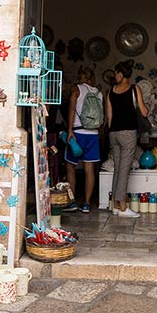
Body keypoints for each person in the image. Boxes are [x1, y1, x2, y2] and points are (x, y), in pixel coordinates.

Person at [105, 60, 148, 218]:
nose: (115, 76)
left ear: (122, 74)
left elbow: (109, 117)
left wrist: (111, 131)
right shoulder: (134, 89)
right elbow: (144, 112)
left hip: (113, 133)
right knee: (124, 170)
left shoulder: (110, 91)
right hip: (128, 133)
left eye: (117, 73)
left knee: (117, 169)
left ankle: (115, 205)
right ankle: (123, 207)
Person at [63, 66, 102, 213]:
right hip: (93, 134)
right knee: (89, 169)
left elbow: (71, 110)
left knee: (70, 166)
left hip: (78, 133)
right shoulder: (98, 93)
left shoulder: (77, 89)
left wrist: (69, 131)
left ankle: (72, 201)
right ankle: (86, 203)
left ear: (81, 77)